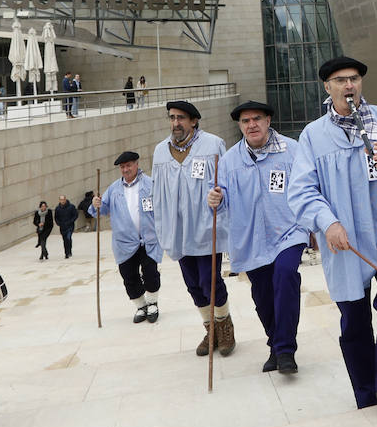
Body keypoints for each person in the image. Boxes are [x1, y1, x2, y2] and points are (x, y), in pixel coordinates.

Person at [289, 57, 377, 422]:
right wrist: (327, 222)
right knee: (354, 322)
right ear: (327, 87)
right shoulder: (314, 136)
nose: (349, 85)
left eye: (354, 79)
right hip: (344, 242)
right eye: (340, 80)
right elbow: (301, 191)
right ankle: (365, 394)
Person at [209, 100, 309, 374]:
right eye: (245, 121)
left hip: (288, 230)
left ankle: (286, 350)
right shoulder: (229, 160)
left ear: (268, 121)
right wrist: (216, 198)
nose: (251, 125)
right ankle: (275, 345)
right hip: (250, 238)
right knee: (262, 294)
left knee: (286, 275)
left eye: (257, 119)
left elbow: (308, 186)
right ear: (240, 126)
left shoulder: (293, 151)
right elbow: (219, 196)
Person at [152, 100, 235, 355]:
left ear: (194, 121)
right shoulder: (160, 152)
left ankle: (225, 327)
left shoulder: (212, 145)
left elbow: (226, 183)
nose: (175, 123)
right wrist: (161, 227)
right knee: (193, 285)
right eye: (172, 118)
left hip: (205, 226)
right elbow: (157, 193)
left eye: (181, 118)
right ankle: (210, 329)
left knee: (209, 281)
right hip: (178, 230)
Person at [91, 151, 162, 323]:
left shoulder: (150, 183)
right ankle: (140, 305)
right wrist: (96, 204)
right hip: (124, 243)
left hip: (148, 239)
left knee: (150, 272)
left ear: (137, 164)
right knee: (129, 275)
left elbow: (162, 205)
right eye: (122, 167)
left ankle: (152, 303)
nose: (125, 169)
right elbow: (102, 209)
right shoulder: (114, 189)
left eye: (128, 165)